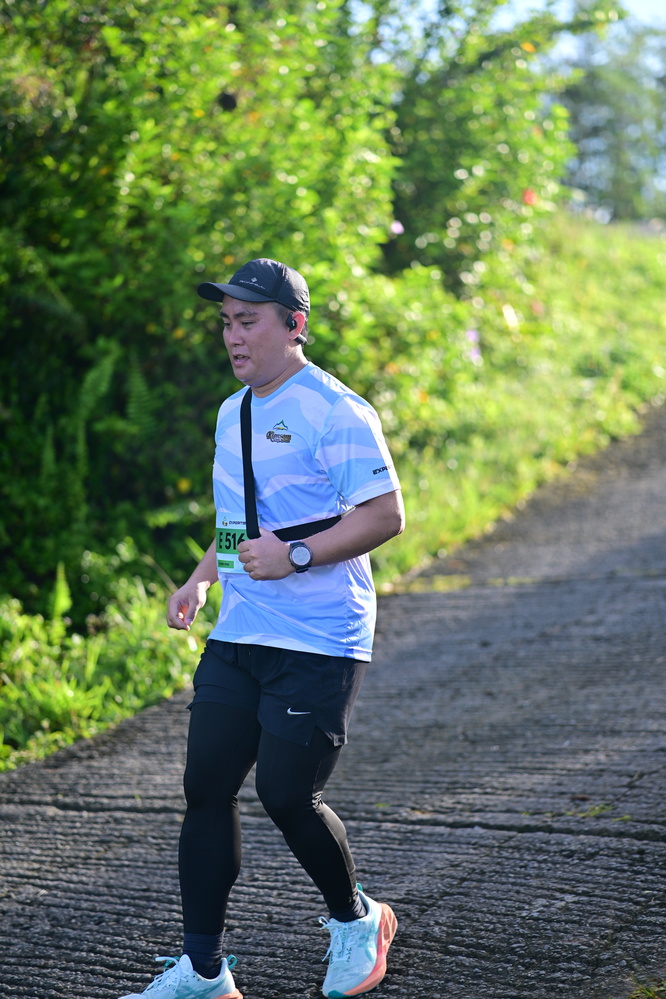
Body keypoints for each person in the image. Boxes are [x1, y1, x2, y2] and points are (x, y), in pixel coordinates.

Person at [118, 258, 404, 999]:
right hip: (242, 631)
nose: (232, 336)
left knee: (285, 794)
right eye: (226, 323)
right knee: (206, 786)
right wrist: (201, 578)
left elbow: (385, 515)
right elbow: (238, 521)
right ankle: (204, 972)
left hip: (320, 637)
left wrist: (296, 555)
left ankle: (357, 919)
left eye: (247, 321)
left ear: (294, 325)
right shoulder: (232, 411)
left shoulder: (337, 411)